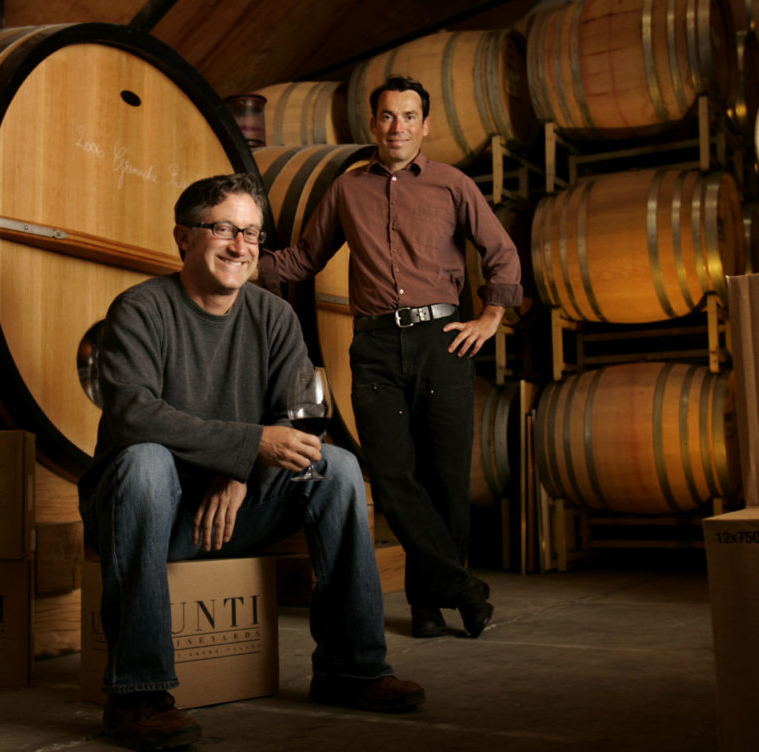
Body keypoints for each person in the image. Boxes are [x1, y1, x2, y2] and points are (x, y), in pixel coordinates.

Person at [78, 172, 424, 751]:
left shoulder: (273, 316)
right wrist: (249, 447)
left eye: (253, 234)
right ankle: (136, 694)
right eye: (224, 229)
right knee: (144, 461)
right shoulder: (140, 309)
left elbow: (297, 419)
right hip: (144, 515)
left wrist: (239, 470)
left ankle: (351, 667)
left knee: (335, 469)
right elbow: (135, 415)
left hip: (235, 512)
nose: (242, 247)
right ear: (183, 238)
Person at [257, 75, 523, 640]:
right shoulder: (347, 189)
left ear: (424, 125)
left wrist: (490, 317)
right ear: (371, 124)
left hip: (443, 340)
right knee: (393, 476)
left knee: (446, 480)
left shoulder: (453, 185)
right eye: (386, 116)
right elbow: (303, 259)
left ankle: (429, 603)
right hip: (375, 345)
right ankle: (464, 590)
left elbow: (500, 252)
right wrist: (236, 258)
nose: (396, 127)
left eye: (408, 116)